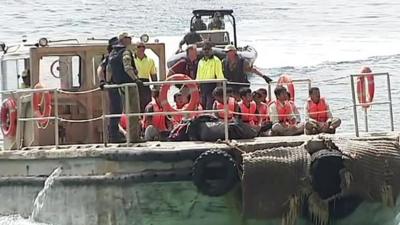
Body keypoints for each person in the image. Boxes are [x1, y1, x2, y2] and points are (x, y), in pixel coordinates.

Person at [108, 32, 141, 142]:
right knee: (134, 111)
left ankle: (121, 136)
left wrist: (108, 82)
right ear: (123, 40)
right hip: (129, 85)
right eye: (128, 38)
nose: (130, 39)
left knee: (121, 110)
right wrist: (135, 79)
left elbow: (109, 70)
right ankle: (134, 137)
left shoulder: (113, 53)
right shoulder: (126, 52)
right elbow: (127, 67)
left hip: (119, 86)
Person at [97, 36, 126, 143]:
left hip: (120, 87)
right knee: (116, 109)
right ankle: (113, 135)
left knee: (119, 109)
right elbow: (100, 68)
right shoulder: (109, 57)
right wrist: (102, 81)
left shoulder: (119, 57)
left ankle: (117, 132)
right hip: (113, 86)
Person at [196, 41, 225, 110]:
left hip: (212, 85)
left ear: (211, 50)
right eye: (205, 49)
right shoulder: (200, 61)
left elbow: (219, 75)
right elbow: (198, 75)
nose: (206, 51)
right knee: (203, 104)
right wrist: (197, 87)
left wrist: (219, 89)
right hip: (202, 86)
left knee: (209, 105)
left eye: (208, 49)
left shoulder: (216, 60)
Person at [134, 41, 157, 113]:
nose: (141, 48)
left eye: (143, 47)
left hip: (146, 84)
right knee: (135, 106)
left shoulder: (150, 60)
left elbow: (153, 74)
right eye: (139, 47)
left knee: (147, 106)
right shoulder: (131, 60)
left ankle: (146, 122)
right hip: (135, 84)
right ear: (135, 48)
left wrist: (156, 87)